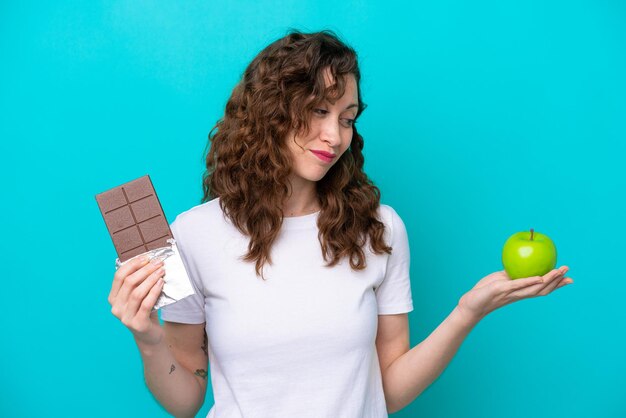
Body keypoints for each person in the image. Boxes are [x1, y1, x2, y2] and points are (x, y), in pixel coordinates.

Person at [107, 30, 574, 418]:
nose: (335, 136)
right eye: (318, 111)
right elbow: (185, 400)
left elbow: (385, 391)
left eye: (346, 118)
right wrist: (148, 338)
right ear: (270, 111)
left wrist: (467, 312)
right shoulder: (194, 234)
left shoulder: (379, 229)